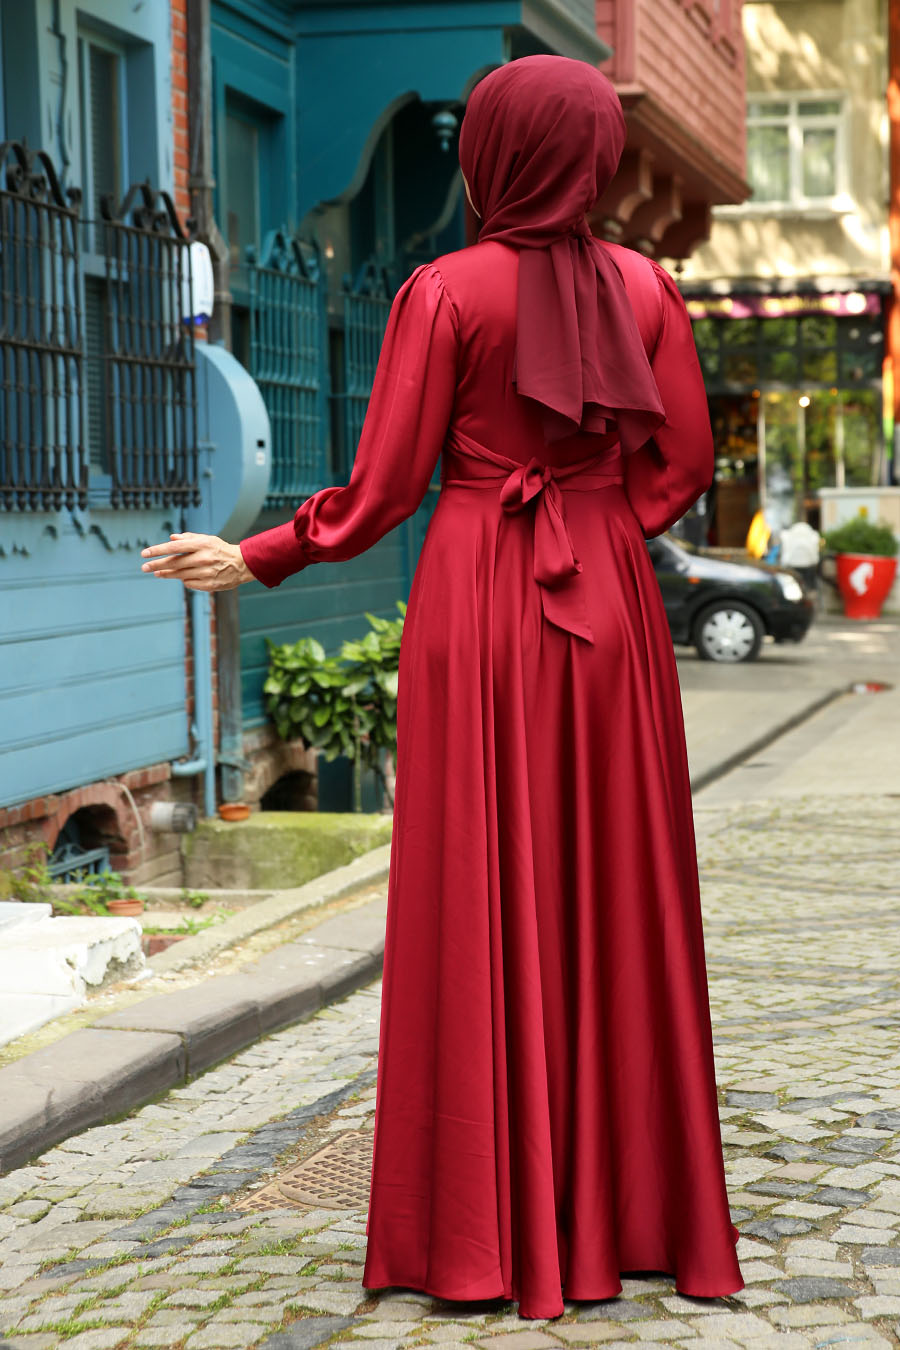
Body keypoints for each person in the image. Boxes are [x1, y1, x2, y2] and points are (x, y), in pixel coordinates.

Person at [140, 55, 744, 1320]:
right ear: (590, 158)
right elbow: (683, 459)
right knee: (615, 881)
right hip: (611, 610)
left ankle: (488, 1224)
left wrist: (255, 552)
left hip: (479, 603)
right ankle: (632, 1217)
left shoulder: (443, 292)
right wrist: (593, 523)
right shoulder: (648, 289)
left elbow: (379, 494)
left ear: (497, 155)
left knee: (485, 887)